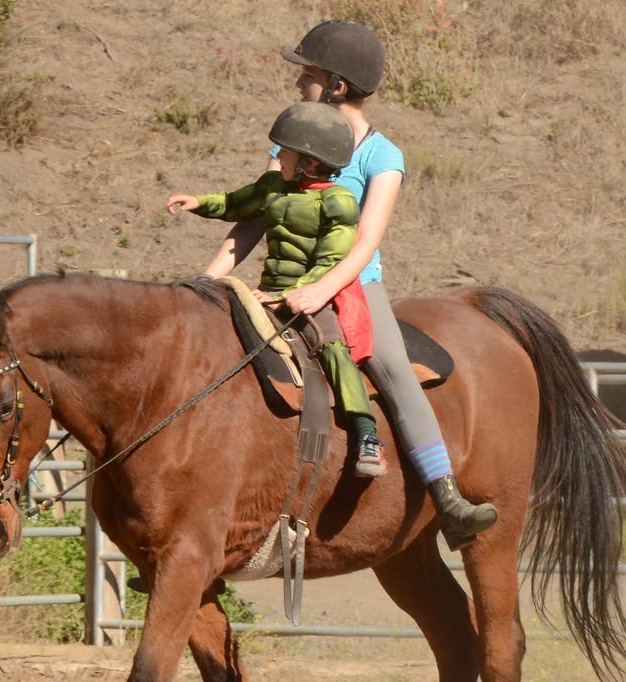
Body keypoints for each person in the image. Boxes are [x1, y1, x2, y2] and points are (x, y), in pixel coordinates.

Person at [200, 20, 497, 549]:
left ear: (336, 86)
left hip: (352, 285)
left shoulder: (383, 156)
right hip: (281, 280)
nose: (298, 85)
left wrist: (321, 291)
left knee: (391, 365)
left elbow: (365, 240)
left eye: (307, 75)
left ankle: (446, 495)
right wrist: (204, 281)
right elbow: (251, 219)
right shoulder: (292, 139)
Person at [167, 102, 386, 478]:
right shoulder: (273, 186)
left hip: (313, 294)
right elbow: (237, 203)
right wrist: (199, 203)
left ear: (311, 162)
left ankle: (366, 432)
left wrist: (292, 295)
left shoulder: (339, 202)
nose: (278, 156)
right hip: (267, 289)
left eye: (285, 151)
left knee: (334, 346)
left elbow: (330, 261)